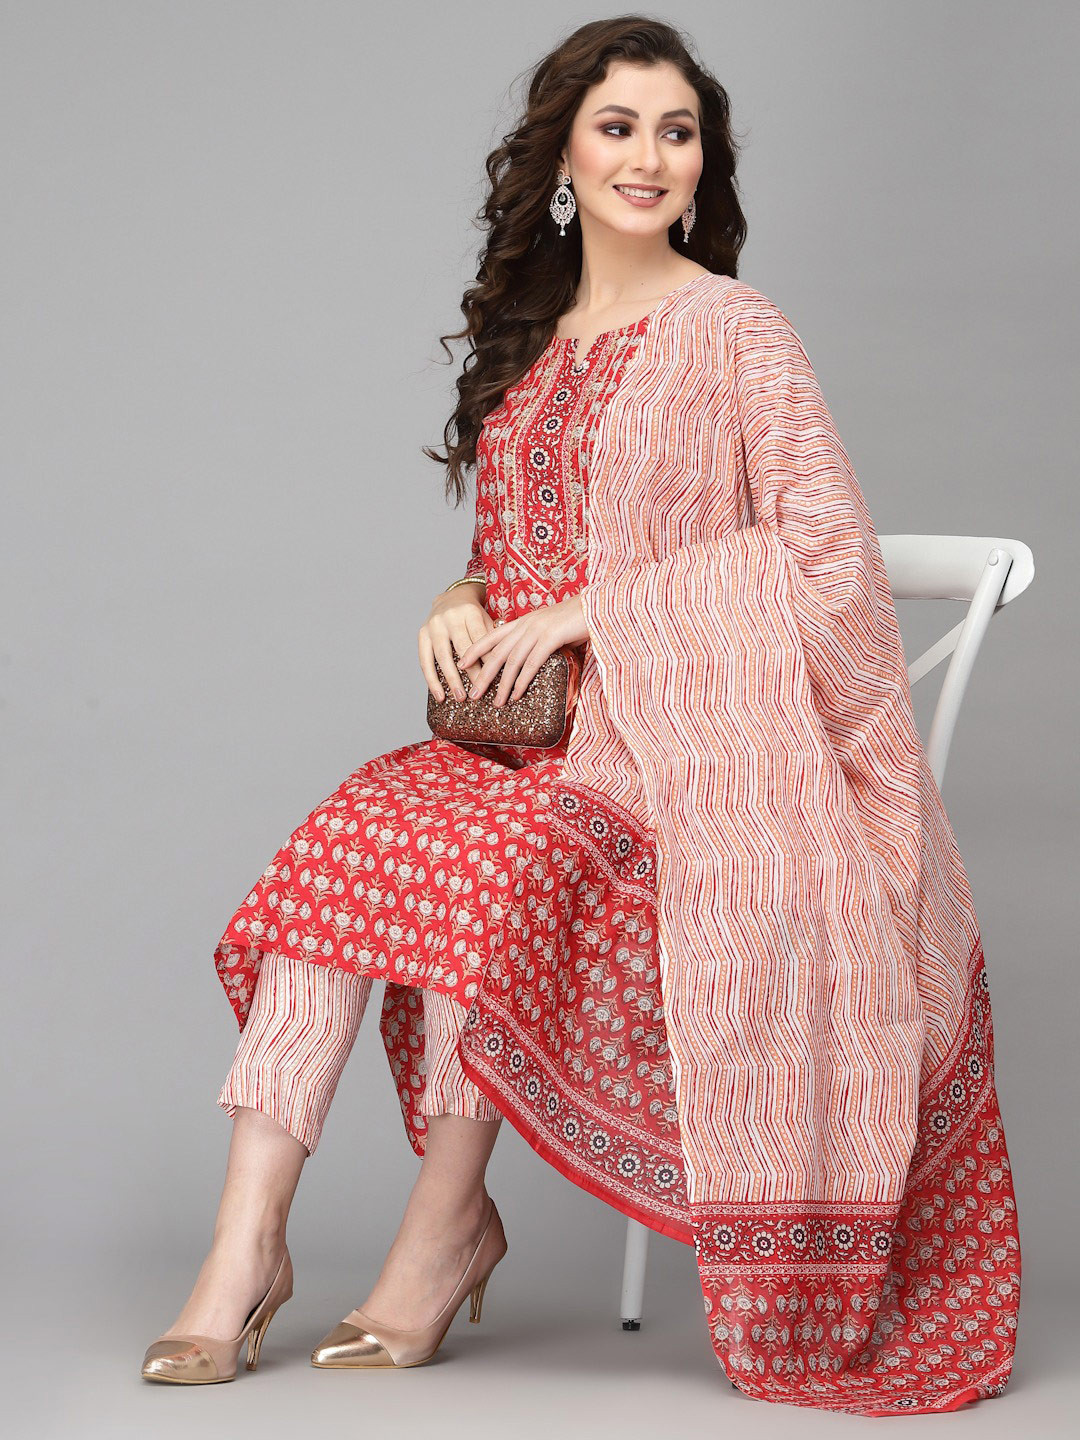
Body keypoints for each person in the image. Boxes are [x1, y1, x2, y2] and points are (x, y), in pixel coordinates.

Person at [142, 14, 1020, 1414]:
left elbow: (827, 560)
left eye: (678, 132)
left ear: (704, 163)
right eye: (618, 127)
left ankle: (442, 1231)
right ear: (563, 153)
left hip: (687, 755)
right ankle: (242, 1253)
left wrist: (604, 613)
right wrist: (459, 598)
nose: (648, 157)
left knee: (495, 872)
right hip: (521, 738)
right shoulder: (532, 340)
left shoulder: (735, 329)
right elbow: (517, 553)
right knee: (333, 856)